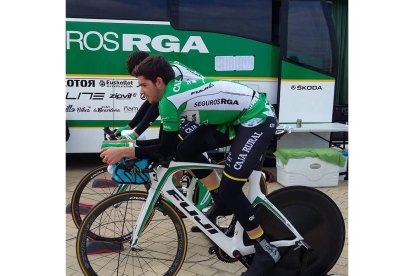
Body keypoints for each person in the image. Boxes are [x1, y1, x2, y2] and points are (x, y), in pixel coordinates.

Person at [100, 55, 280, 275]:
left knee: (231, 189)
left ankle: (265, 248)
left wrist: (126, 151)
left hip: (256, 117)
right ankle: (220, 202)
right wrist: (133, 145)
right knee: (185, 150)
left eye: (143, 85)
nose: (141, 92)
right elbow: (171, 146)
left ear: (158, 82)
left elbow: (165, 148)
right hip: (232, 119)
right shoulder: (168, 95)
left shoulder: (169, 100)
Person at [114, 51, 204, 141]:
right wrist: (130, 126)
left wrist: (134, 134)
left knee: (175, 147)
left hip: (205, 106)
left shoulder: (170, 71)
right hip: (191, 106)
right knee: (166, 146)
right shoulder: (161, 69)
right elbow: (150, 102)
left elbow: (156, 107)